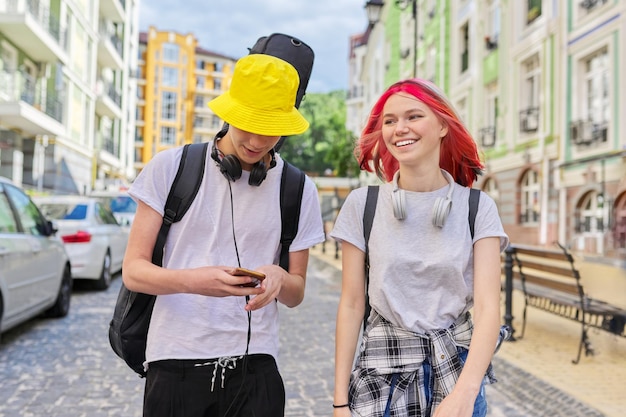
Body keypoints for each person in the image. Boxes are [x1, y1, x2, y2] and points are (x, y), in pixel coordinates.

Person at [122, 54, 325, 417]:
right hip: (175, 359)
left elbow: (296, 294)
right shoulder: (170, 167)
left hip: (257, 364)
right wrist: (195, 281)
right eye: (248, 124)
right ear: (229, 113)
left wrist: (280, 278)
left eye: (271, 127)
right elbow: (133, 272)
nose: (258, 140)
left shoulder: (297, 188)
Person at [330, 79, 509, 417]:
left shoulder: (477, 207)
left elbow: (488, 309)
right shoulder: (363, 204)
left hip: (457, 377)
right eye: (389, 120)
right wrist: (340, 402)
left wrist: (465, 395)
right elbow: (352, 304)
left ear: (443, 124)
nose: (400, 129)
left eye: (413, 116)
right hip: (382, 384)